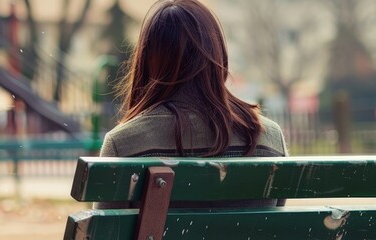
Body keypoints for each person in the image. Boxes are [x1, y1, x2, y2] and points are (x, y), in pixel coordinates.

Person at [98, 0, 288, 208]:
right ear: (217, 54)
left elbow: (107, 225)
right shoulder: (269, 137)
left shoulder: (123, 144)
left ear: (147, 60)